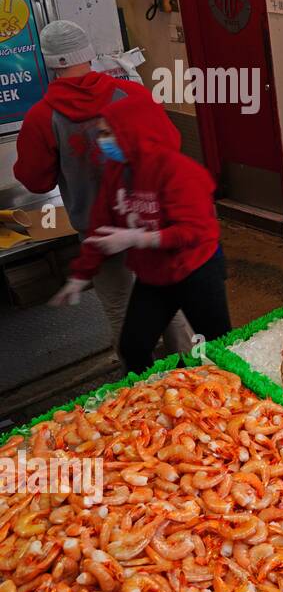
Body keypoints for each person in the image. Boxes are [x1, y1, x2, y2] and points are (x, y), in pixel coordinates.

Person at [14, 20, 194, 359]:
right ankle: (192, 378)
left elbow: (36, 181)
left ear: (50, 62)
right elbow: (171, 145)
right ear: (89, 54)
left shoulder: (42, 117)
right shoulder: (132, 94)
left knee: (121, 310)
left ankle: (138, 393)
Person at [56, 99, 232, 374]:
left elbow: (195, 230)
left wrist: (137, 239)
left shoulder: (180, 171)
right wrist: (80, 275)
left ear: (134, 131)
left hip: (196, 269)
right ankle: (146, 400)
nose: (102, 141)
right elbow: (100, 227)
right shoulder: (118, 170)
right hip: (153, 275)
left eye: (108, 133)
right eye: (101, 134)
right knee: (133, 346)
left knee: (218, 345)